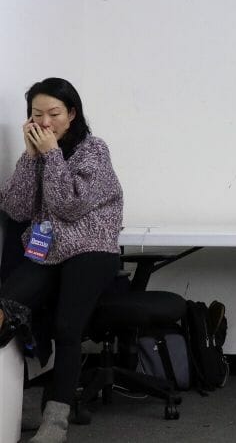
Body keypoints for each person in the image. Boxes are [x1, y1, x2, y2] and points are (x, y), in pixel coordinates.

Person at [0, 78, 123, 443]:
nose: (45, 122)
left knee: (67, 328)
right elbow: (17, 207)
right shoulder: (37, 153)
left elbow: (69, 205)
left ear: (72, 114)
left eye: (54, 113)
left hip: (90, 247)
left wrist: (52, 155)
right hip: (46, 248)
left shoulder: (94, 151)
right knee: (9, 307)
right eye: (37, 114)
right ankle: (12, 405)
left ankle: (56, 421)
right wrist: (30, 158)